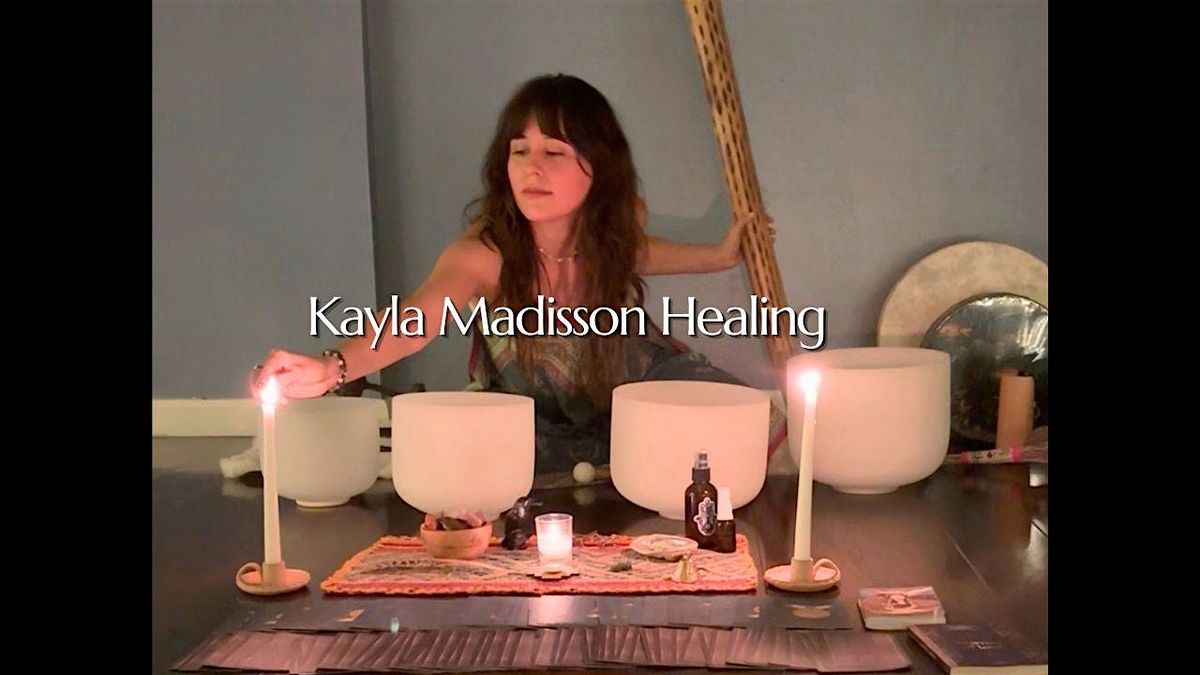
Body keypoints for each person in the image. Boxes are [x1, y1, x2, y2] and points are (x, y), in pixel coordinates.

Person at [252, 74, 784, 474]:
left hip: (629, 390)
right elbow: (414, 323)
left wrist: (718, 256)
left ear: (598, 167)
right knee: (461, 461)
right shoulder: (483, 254)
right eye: (520, 151)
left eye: (554, 152)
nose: (532, 168)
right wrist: (333, 367)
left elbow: (633, 254)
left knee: (745, 417)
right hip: (530, 417)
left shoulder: (619, 224)